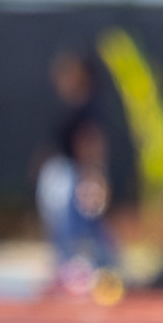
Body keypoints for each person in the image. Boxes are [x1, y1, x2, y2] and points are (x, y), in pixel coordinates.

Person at [36, 51, 116, 293]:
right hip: (62, 173)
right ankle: (69, 269)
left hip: (74, 175)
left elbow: (91, 142)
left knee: (78, 226)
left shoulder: (88, 106)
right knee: (62, 227)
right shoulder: (67, 107)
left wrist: (94, 174)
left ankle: (86, 271)